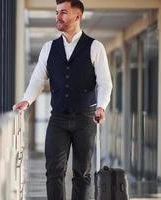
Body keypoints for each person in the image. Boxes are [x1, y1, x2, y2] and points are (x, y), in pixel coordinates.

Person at [13, 0, 113, 199]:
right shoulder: (49, 48)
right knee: (54, 172)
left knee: (82, 174)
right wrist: (27, 100)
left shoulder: (95, 47)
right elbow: (38, 79)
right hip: (57, 119)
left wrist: (101, 106)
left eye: (63, 12)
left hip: (85, 119)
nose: (58, 16)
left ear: (77, 16)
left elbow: (105, 82)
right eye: (57, 12)